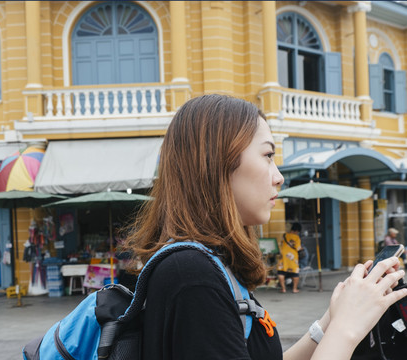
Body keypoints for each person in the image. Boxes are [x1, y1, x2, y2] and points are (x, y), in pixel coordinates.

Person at [124, 94, 407, 360]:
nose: (279, 177)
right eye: (268, 156)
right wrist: (347, 328)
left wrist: (332, 319)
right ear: (219, 162)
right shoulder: (191, 275)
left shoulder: (210, 265)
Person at [277, 222, 303, 293]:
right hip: (292, 257)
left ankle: (283, 289)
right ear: (297, 231)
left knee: (281, 272)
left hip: (283, 256)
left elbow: (281, 244)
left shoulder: (285, 235)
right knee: (295, 272)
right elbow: (298, 248)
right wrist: (302, 248)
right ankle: (294, 289)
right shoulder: (297, 237)